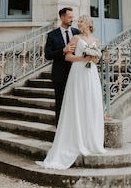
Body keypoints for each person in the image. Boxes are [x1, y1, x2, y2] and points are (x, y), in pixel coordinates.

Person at [37, 14, 106, 170]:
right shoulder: (75, 38)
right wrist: (84, 58)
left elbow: (96, 60)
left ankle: (91, 140)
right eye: (78, 21)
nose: (78, 23)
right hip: (78, 72)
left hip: (91, 74)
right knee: (78, 103)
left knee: (92, 104)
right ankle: (76, 139)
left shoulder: (95, 41)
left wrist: (94, 57)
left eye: (81, 21)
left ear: (88, 24)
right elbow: (68, 57)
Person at [44, 7, 80, 125]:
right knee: (60, 102)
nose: (72, 19)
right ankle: (60, 127)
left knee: (75, 101)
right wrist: (63, 50)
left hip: (75, 73)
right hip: (59, 74)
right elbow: (48, 55)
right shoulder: (52, 35)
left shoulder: (77, 33)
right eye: (69, 17)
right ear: (62, 17)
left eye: (72, 17)